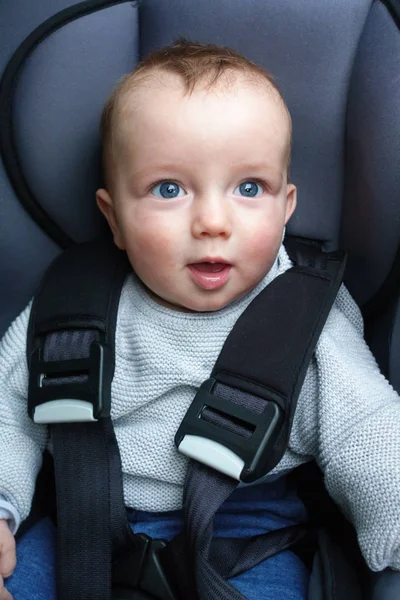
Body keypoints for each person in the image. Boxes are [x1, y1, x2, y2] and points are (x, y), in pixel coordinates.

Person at [0, 38, 399, 600]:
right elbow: (9, 415)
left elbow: (372, 436)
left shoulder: (306, 323)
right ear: (113, 218)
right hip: (82, 525)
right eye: (169, 189)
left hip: (244, 539)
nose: (213, 221)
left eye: (248, 188)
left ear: (286, 210)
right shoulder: (73, 306)